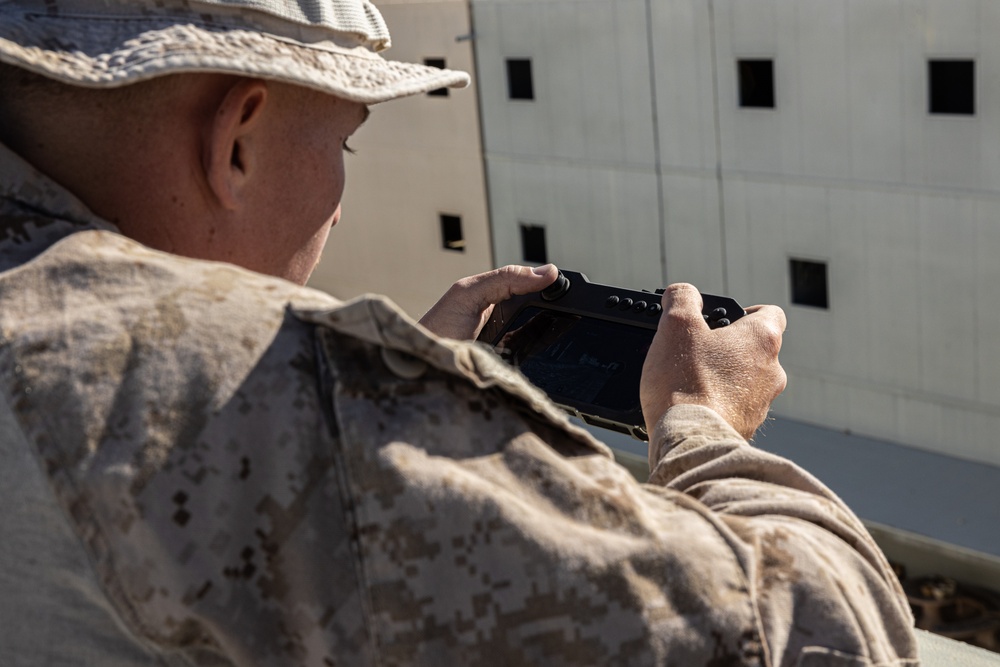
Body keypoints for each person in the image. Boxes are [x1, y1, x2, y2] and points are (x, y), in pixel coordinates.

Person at [0, 0, 917, 665]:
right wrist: (702, 424)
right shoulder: (272, 397)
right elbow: (834, 634)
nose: (339, 210)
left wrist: (417, 387)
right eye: (344, 143)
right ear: (237, 137)